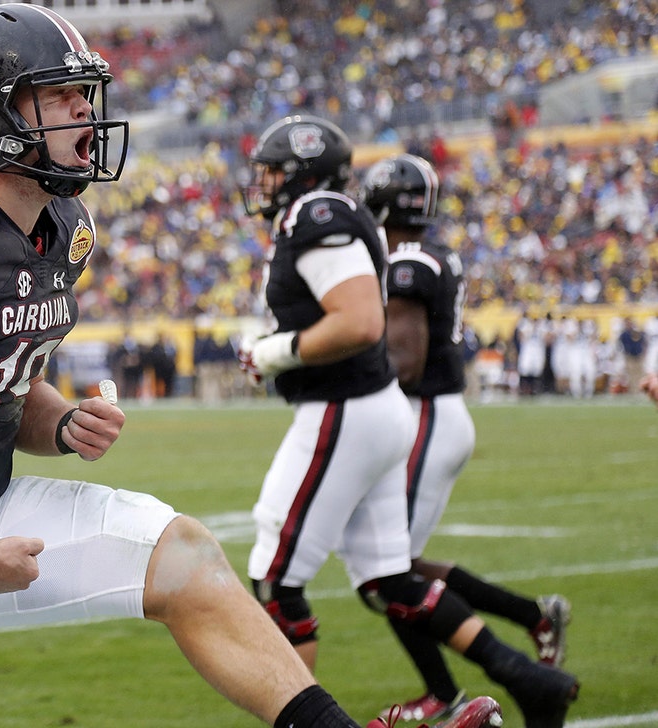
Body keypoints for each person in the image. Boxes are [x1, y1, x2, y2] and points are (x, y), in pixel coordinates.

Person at [0, 12, 500, 728]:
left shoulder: (62, 227)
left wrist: (61, 421)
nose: (85, 111)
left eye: (84, 92)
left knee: (185, 556)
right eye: (60, 94)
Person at [236, 115, 574, 728]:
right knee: (390, 578)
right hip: (382, 410)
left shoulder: (316, 216)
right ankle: (525, 677)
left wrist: (274, 352)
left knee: (276, 578)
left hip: (351, 410)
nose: (261, 185)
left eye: (271, 173)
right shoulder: (334, 218)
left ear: (300, 174)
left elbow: (363, 324)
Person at [365, 153, 575, 723]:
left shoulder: (406, 260)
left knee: (387, 574)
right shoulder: (425, 254)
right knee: (393, 567)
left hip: (426, 414)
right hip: (431, 416)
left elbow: (404, 360)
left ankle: (452, 689)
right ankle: (531, 617)